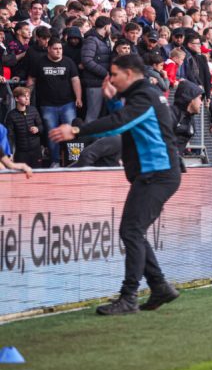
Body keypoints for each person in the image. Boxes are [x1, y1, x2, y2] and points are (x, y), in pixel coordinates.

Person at [50, 54, 182, 315]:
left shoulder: (144, 96)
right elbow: (126, 120)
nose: (109, 79)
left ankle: (129, 297)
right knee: (133, 231)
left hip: (158, 174)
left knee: (131, 231)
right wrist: (112, 100)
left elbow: (120, 122)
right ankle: (159, 286)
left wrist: (76, 131)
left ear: (130, 73)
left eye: (114, 74)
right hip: (155, 173)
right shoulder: (145, 94)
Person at [27, 38, 82, 167]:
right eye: (55, 48)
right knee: (52, 133)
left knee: (72, 132)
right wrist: (27, 94)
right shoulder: (39, 62)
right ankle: (55, 161)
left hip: (67, 104)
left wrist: (78, 97)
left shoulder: (68, 62)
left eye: (60, 49)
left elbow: (75, 80)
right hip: (47, 105)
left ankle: (74, 160)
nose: (58, 51)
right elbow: (31, 80)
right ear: (49, 49)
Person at [4, 86, 42, 168]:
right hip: (21, 152)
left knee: (38, 175)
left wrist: (37, 129)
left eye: (28, 96)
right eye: (24, 96)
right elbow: (9, 136)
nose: (27, 98)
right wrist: (10, 153)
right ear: (17, 99)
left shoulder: (33, 110)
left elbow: (42, 127)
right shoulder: (11, 115)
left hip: (36, 150)